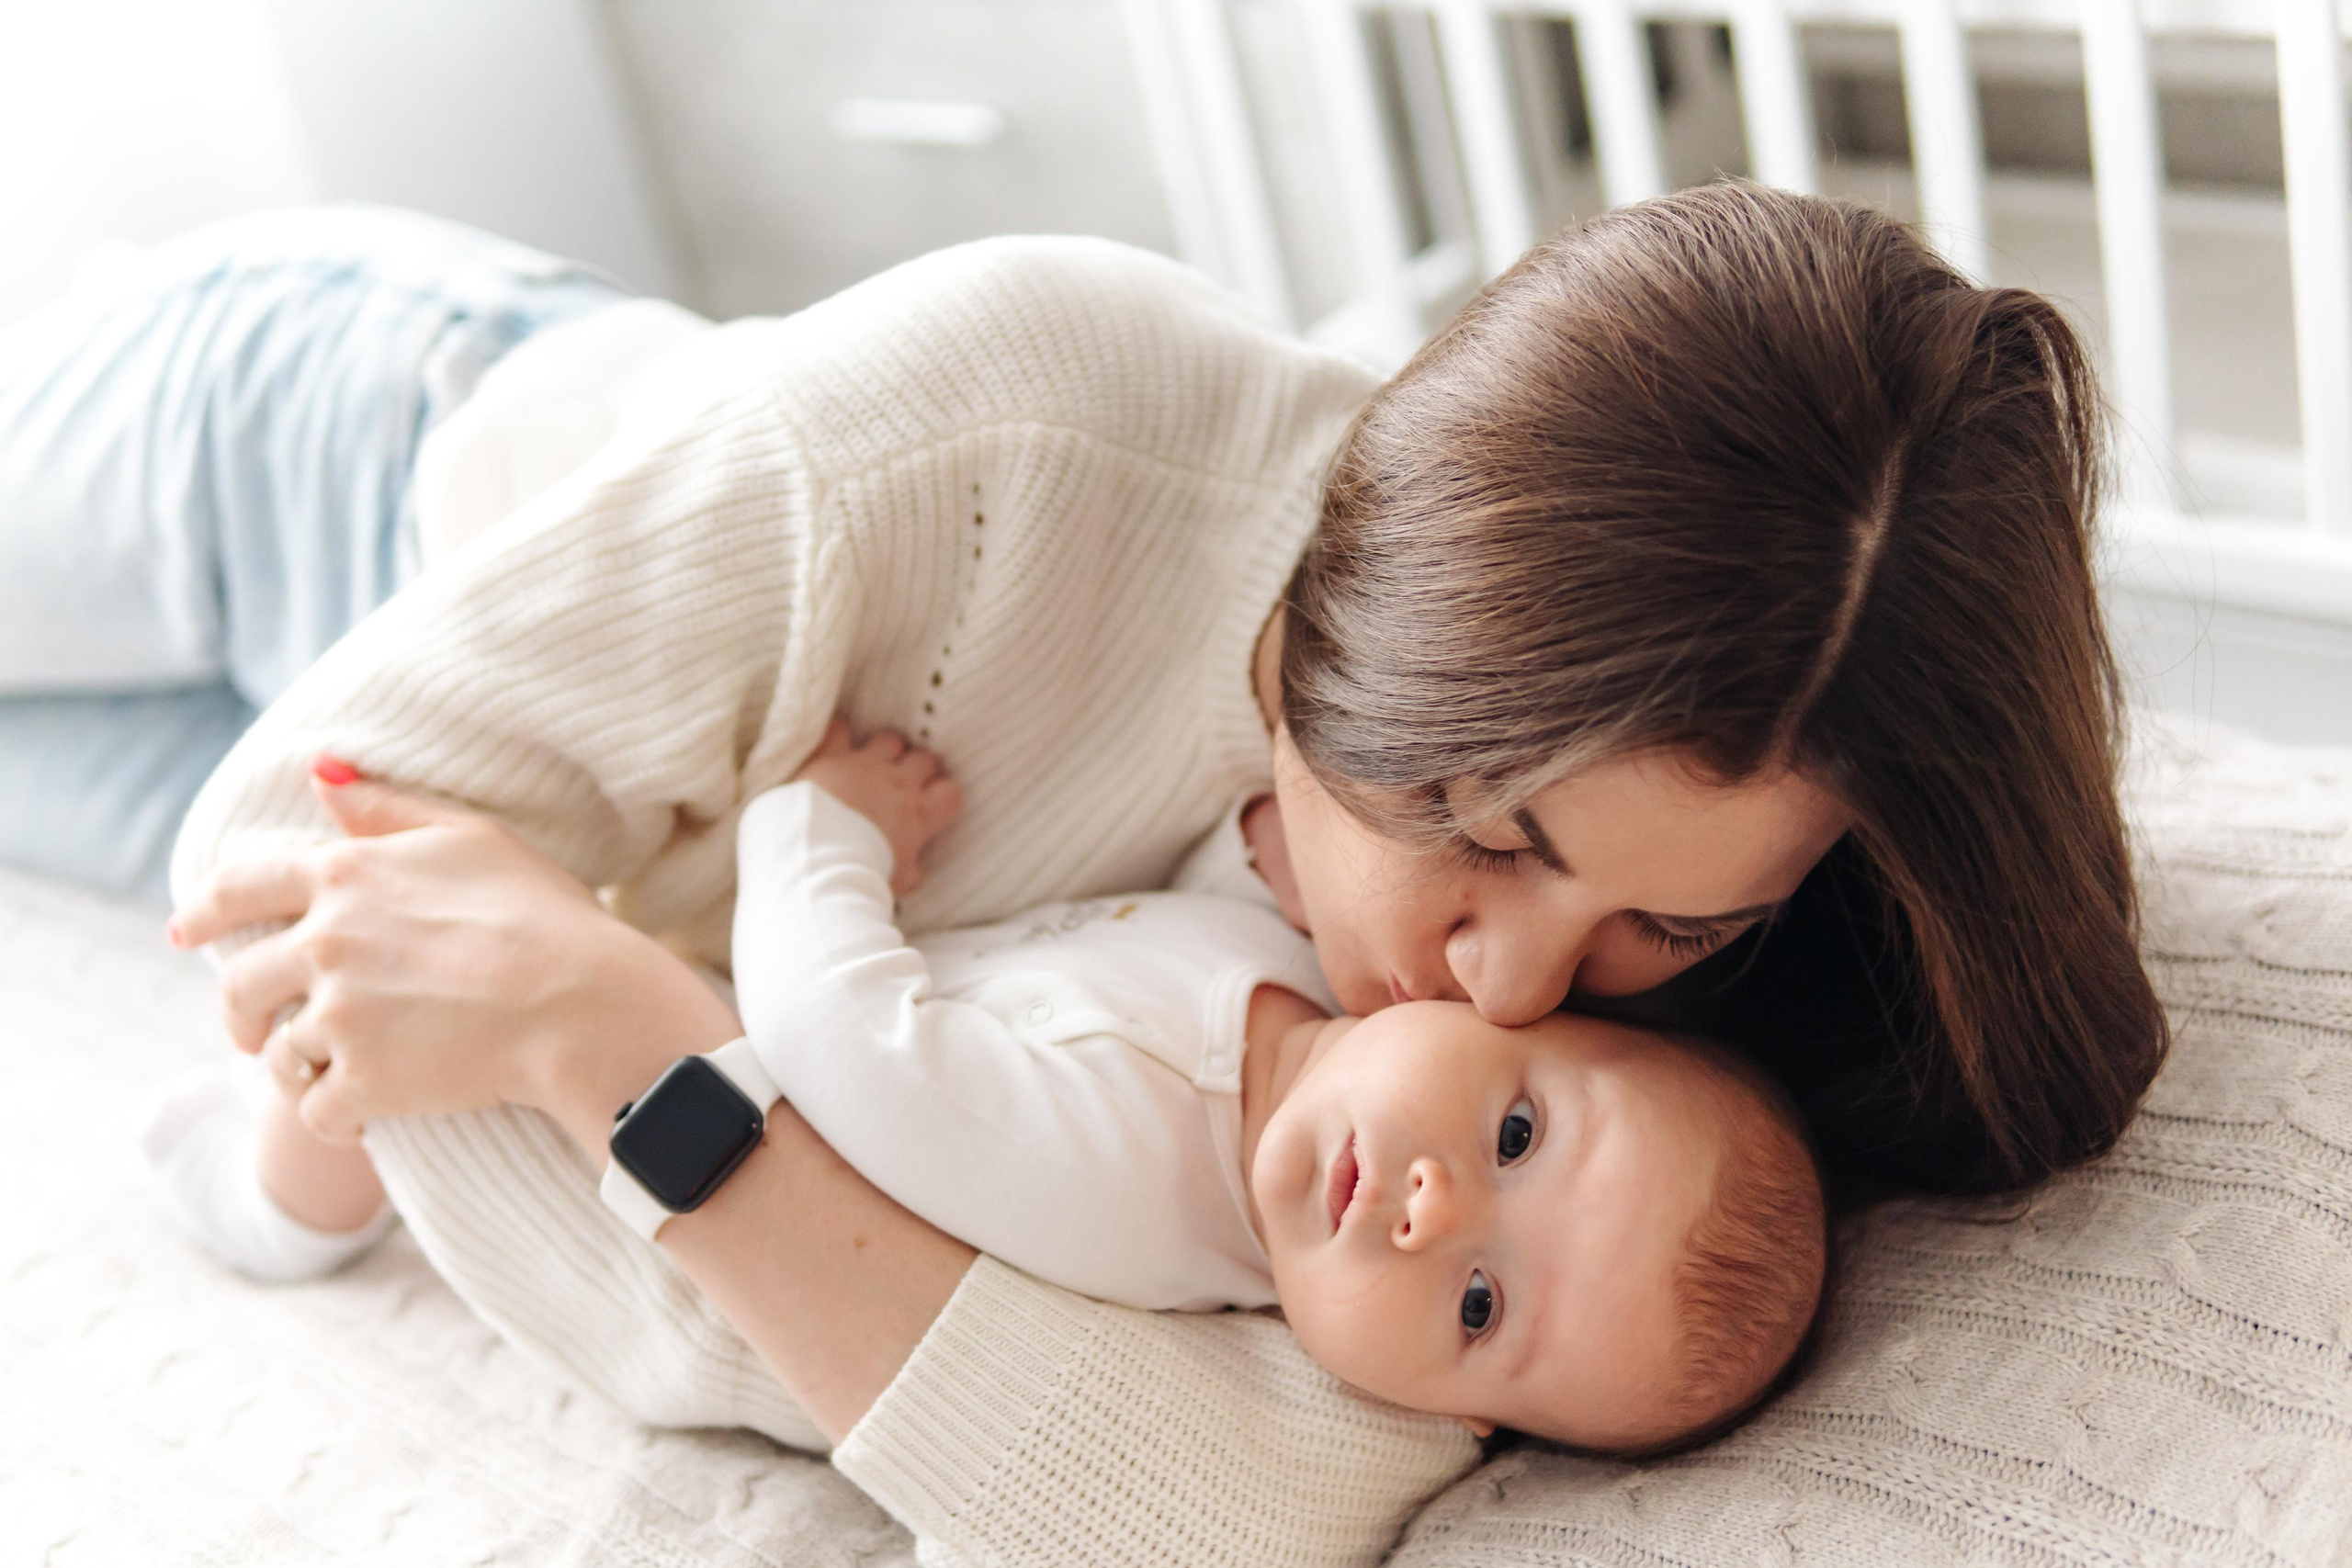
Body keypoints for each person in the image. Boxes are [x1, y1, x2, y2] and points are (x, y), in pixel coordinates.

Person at [14, 182, 2165, 1564]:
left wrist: (620, 1044)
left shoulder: (1662, 1052)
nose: (1508, 991)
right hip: (350, 441)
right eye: (1476, 826)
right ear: (1366, 608)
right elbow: (295, 861)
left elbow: (1194, 1514)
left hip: (564, 889)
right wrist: (733, 1163)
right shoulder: (1020, 419)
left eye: (1660, 919)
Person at [148, 719, 1830, 1457]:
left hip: (645, 1162)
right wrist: (1249, 856)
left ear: (1454, 1422)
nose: (1429, 1203)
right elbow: (1162, 926)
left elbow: (841, 1038)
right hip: (680, 1034)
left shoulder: (1119, 1170)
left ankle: (273, 1207)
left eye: (1477, 1304)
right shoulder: (1300, 990)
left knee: (347, 1093)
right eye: (1519, 1133)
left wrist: (829, 832)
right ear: (1516, 1013)